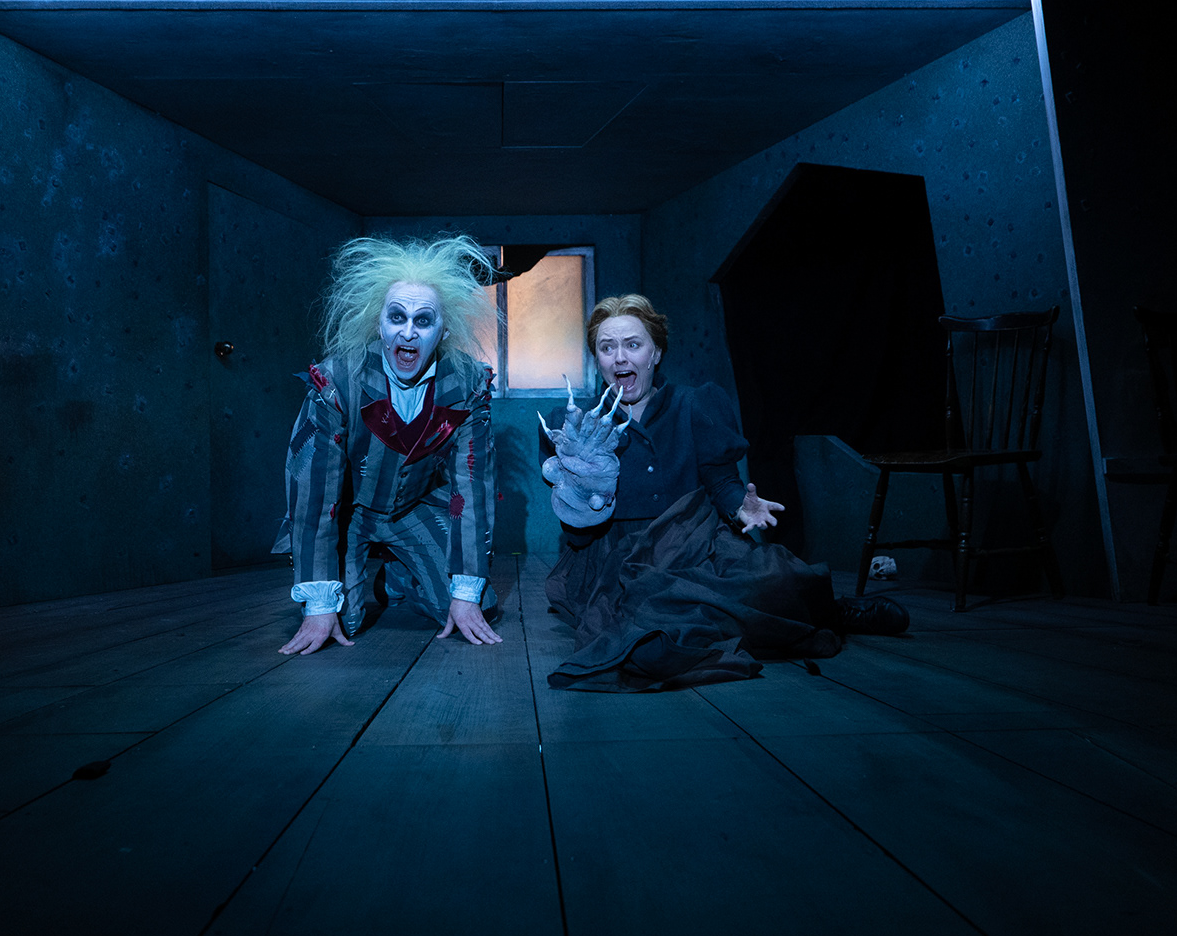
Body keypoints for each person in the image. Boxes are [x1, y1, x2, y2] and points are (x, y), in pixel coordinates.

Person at [540, 294, 907, 691]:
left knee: (775, 580)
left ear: (656, 353)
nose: (620, 358)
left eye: (633, 344)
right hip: (619, 555)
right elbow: (577, 535)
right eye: (607, 347)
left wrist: (739, 506)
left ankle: (833, 612)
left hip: (695, 539)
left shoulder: (693, 404)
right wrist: (583, 497)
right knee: (644, 637)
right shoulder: (574, 426)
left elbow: (721, 481)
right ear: (596, 358)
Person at [274, 236, 503, 655]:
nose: (408, 332)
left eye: (423, 321)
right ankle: (363, 579)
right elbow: (313, 492)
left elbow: (472, 488)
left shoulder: (468, 384)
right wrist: (319, 604)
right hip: (350, 512)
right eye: (397, 317)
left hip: (415, 507)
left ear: (442, 332)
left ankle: (400, 576)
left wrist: (466, 592)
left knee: (476, 605)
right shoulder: (337, 380)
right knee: (340, 619)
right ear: (379, 324)